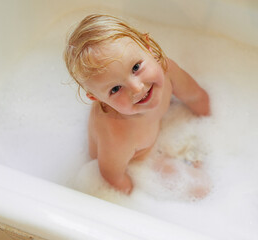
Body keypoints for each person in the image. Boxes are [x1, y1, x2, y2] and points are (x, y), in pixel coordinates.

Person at [64, 14, 210, 195]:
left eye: (135, 68)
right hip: (140, 159)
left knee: (208, 154)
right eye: (116, 89)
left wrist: (209, 121)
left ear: (147, 46)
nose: (137, 88)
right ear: (97, 98)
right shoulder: (117, 135)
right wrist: (134, 195)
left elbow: (197, 97)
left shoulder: (167, 71)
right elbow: (112, 176)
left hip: (161, 134)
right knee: (201, 188)